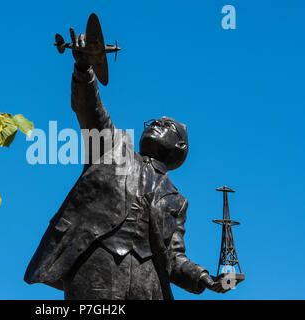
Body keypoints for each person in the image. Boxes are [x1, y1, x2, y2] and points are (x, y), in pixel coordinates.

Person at [24, 31, 232, 299]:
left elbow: (173, 257)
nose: (155, 124)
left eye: (166, 126)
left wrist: (206, 279)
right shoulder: (114, 149)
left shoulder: (177, 201)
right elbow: (91, 111)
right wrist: (83, 68)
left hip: (148, 286)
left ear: (180, 147)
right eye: (154, 122)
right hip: (97, 273)